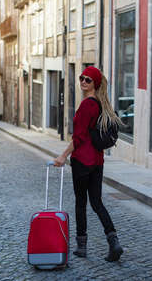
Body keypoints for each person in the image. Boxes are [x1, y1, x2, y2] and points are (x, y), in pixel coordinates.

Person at [54, 66, 124, 262]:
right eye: (82, 78)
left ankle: (82, 247)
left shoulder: (87, 106)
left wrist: (62, 156)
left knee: (81, 203)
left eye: (88, 80)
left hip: (83, 161)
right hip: (97, 161)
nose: (83, 82)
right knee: (97, 202)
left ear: (95, 84)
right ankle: (114, 242)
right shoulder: (102, 105)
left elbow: (78, 138)